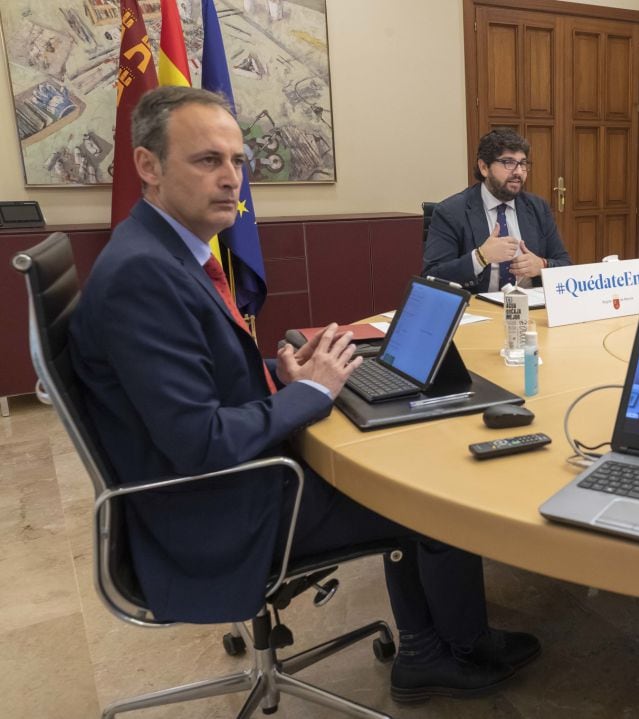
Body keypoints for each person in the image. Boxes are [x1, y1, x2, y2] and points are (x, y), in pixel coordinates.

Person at [68, 86, 537, 703]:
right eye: (207, 160)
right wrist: (310, 393)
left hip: (221, 484)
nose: (231, 178)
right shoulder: (142, 277)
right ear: (148, 167)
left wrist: (281, 373)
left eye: (238, 161)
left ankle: (429, 648)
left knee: (398, 459)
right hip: (215, 512)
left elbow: (200, 374)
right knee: (433, 495)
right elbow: (200, 443)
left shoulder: (159, 252)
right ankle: (452, 651)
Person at [423, 128, 572, 292]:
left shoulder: (538, 207)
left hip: (531, 309)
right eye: (508, 163)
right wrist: (480, 258)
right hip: (479, 311)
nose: (519, 172)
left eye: (523, 163)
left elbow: (565, 264)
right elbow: (432, 277)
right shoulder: (451, 212)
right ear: (484, 167)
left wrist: (542, 265)